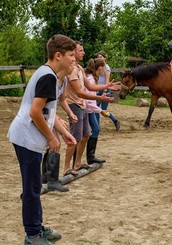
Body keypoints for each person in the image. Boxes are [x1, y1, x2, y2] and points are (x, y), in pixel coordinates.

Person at [7, 34, 77, 245]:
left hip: (29, 137)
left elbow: (46, 111)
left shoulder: (50, 76)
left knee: (35, 185)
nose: (74, 59)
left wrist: (63, 133)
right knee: (31, 187)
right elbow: (35, 113)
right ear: (58, 55)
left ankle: (37, 228)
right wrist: (51, 138)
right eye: (71, 55)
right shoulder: (48, 77)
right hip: (27, 137)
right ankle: (32, 235)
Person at [63, 41, 120, 177]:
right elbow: (79, 92)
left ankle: (77, 163)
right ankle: (66, 168)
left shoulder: (79, 69)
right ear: (73, 52)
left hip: (81, 105)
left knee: (86, 135)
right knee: (74, 139)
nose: (83, 53)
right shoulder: (71, 70)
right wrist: (100, 99)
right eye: (80, 50)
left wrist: (106, 87)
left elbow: (89, 86)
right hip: (74, 105)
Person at [41, 62, 78, 192]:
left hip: (49, 116)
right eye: (71, 61)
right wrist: (56, 118)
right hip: (41, 117)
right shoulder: (52, 80)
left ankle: (48, 179)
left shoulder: (64, 81)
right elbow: (42, 107)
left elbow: (62, 100)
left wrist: (69, 113)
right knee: (51, 144)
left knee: (54, 144)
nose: (74, 65)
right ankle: (48, 179)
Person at [85, 58, 111, 165]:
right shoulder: (90, 80)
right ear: (100, 68)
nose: (104, 71)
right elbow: (90, 101)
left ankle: (91, 156)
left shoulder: (92, 78)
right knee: (93, 130)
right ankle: (90, 157)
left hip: (90, 109)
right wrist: (100, 111)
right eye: (103, 69)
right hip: (88, 109)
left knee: (95, 129)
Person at [96, 51, 120, 131]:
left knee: (104, 111)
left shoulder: (107, 68)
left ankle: (115, 120)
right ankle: (97, 126)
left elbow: (107, 79)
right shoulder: (98, 67)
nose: (99, 58)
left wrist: (105, 91)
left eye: (101, 57)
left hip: (104, 90)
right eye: (98, 57)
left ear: (104, 58)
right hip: (98, 89)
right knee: (96, 109)